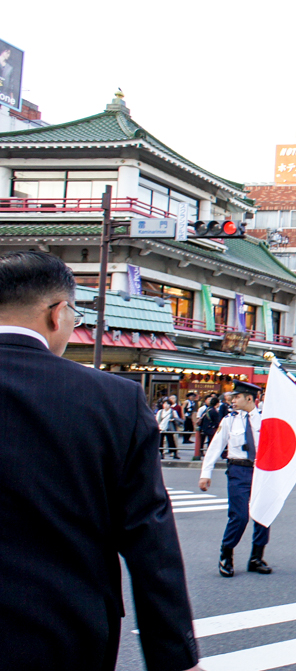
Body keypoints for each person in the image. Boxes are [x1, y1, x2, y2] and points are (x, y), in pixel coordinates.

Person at [0, 251, 200, 671]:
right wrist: (175, 658)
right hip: (63, 628)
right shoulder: (113, 400)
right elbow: (150, 541)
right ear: (57, 313)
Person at [200, 379, 274, 577]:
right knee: (239, 516)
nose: (233, 400)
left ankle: (256, 557)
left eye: (237, 397)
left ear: (249, 398)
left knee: (263, 515)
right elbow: (215, 446)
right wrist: (206, 473)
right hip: (238, 470)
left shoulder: (265, 419)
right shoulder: (229, 420)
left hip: (261, 471)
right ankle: (226, 553)